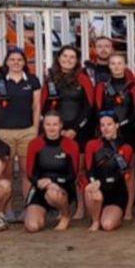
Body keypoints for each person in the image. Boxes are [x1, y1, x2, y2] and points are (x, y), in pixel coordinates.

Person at [0, 48, 40, 220]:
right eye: (13, 60)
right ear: (7, 62)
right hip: (4, 133)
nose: (16, 63)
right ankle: (7, 210)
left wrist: (35, 129)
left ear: (24, 63)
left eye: (19, 60)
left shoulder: (32, 81)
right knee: (6, 173)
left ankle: (27, 208)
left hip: (26, 131)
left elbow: (37, 106)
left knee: (26, 173)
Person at [41, 45, 94, 218]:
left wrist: (75, 129)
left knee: (78, 171)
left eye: (72, 57)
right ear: (59, 58)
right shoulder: (50, 79)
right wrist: (56, 129)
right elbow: (44, 106)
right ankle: (62, 206)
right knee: (59, 169)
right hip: (56, 131)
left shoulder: (82, 78)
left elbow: (89, 107)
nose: (68, 60)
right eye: (65, 56)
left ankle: (80, 207)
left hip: (79, 131)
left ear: (77, 61)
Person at [93, 53, 135, 219]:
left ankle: (129, 209)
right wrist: (107, 127)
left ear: (125, 65)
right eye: (113, 63)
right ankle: (105, 203)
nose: (117, 66)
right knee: (105, 165)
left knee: (129, 170)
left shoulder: (132, 85)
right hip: (107, 132)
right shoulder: (102, 86)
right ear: (109, 66)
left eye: (120, 63)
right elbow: (97, 109)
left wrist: (122, 124)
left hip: (127, 132)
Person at [24, 112, 79, 233]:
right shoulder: (34, 144)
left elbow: (73, 175)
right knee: (32, 227)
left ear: (61, 126)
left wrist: (53, 182)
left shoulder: (71, 145)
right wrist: (41, 182)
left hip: (62, 188)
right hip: (40, 187)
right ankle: (41, 212)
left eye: (55, 124)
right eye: (48, 124)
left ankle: (65, 214)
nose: (51, 128)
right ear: (43, 126)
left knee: (53, 193)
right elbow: (29, 173)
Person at [84, 111, 135, 232]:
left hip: (116, 192)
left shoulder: (126, 148)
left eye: (109, 124)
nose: (105, 128)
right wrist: (93, 182)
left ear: (116, 125)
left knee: (107, 225)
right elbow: (89, 169)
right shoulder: (92, 145)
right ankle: (95, 221)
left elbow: (121, 174)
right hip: (97, 190)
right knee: (90, 189)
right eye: (102, 125)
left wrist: (101, 182)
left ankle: (113, 215)